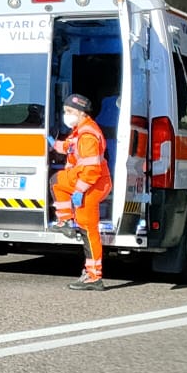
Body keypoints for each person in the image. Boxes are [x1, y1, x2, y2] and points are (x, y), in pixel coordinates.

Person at [50, 91, 112, 291]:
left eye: (69, 111)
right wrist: (53, 144)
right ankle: (65, 221)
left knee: (88, 228)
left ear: (82, 113)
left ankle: (94, 276)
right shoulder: (81, 131)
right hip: (87, 180)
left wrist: (79, 191)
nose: (66, 115)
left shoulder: (87, 135)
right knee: (56, 181)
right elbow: (68, 146)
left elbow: (92, 168)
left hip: (92, 183)